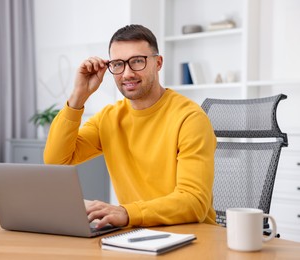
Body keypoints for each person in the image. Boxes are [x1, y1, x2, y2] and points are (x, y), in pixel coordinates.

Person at [44, 24, 217, 229]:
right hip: (137, 235)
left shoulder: (190, 118)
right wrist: (78, 95)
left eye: (137, 61)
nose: (127, 74)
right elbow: (56, 161)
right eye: (118, 64)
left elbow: (194, 202)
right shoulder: (109, 118)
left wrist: (127, 212)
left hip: (192, 237)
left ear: (158, 62)